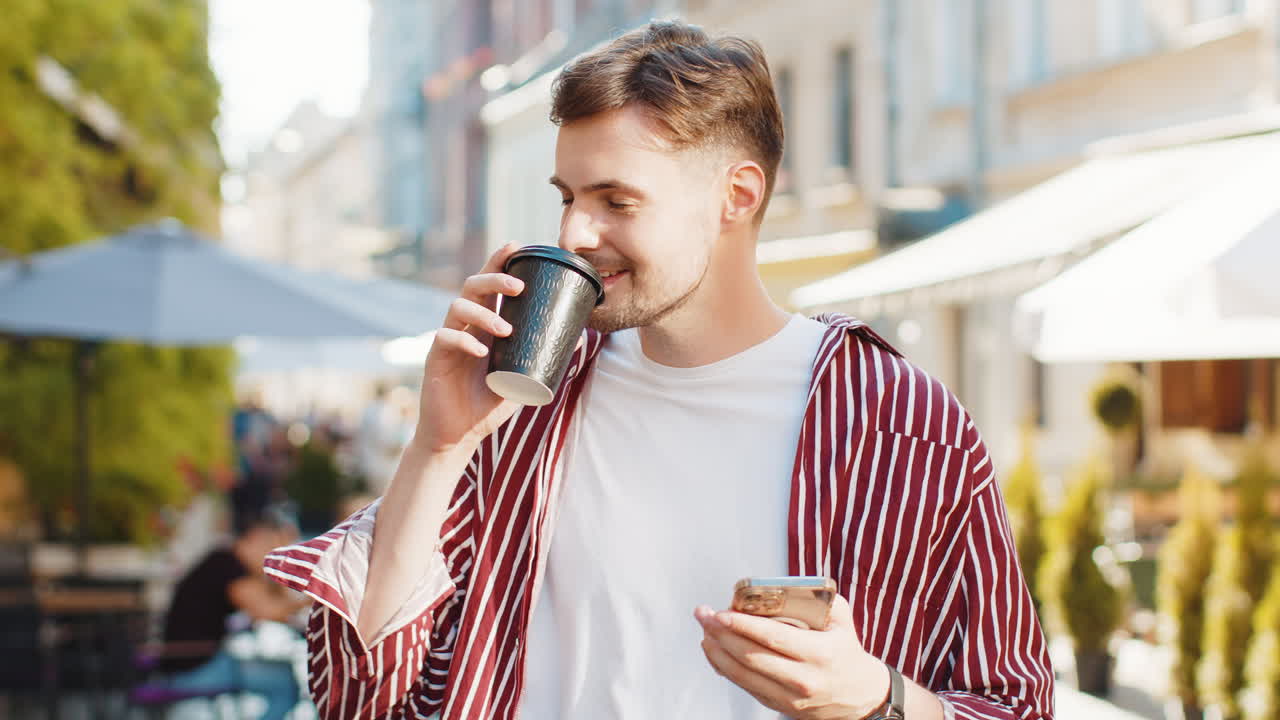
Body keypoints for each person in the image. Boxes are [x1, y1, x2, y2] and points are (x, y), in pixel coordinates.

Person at [267, 20, 1054, 720]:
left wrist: (875, 700)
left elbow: (1015, 704)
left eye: (617, 199)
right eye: (568, 196)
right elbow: (362, 695)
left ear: (736, 197)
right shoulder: (525, 406)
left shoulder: (901, 424)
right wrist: (437, 448)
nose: (575, 231)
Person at [160, 508, 307, 720]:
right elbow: (265, 610)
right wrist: (313, 598)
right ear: (257, 537)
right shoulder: (227, 565)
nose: (277, 557)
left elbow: (275, 603)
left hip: (195, 661)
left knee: (283, 677)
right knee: (285, 683)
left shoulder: (226, 561)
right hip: (191, 668)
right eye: (275, 549)